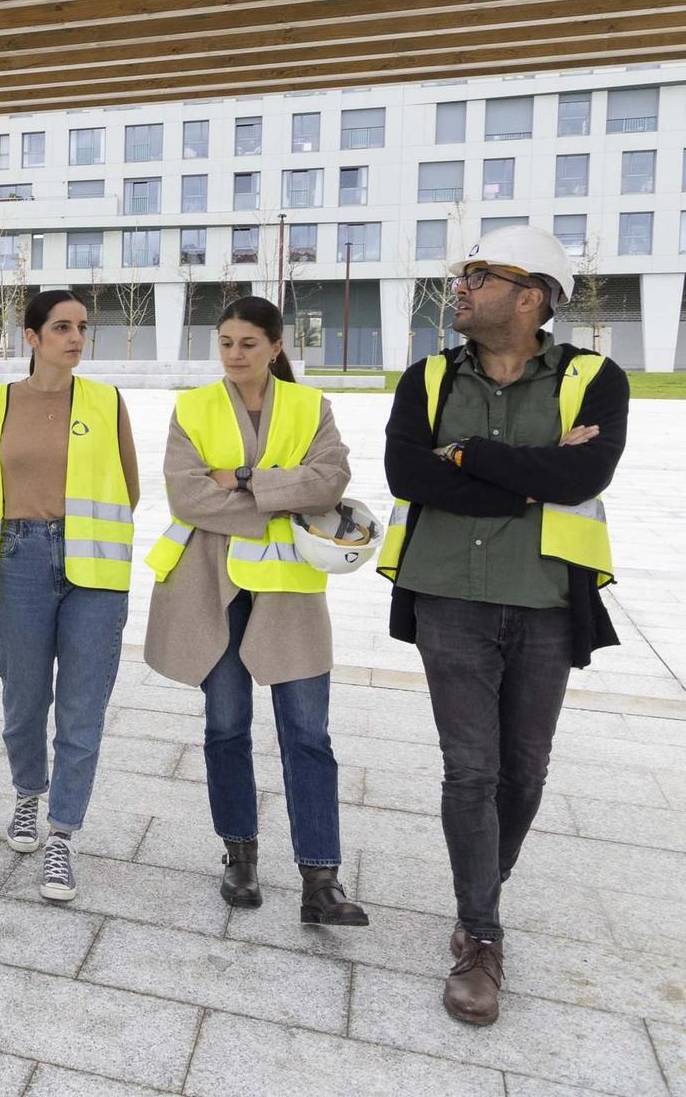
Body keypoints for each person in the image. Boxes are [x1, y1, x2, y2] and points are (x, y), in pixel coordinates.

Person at [377, 225, 627, 1027]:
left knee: (526, 769)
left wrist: (469, 455)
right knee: (471, 771)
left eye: (481, 275)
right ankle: (479, 934)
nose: (463, 286)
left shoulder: (596, 377)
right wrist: (526, 470)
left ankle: (479, 883)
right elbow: (406, 473)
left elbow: (583, 471)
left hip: (547, 598)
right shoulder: (425, 378)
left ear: (532, 296)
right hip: (448, 592)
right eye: (463, 274)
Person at [143, 297, 368, 930]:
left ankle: (320, 879)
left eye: (248, 343)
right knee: (226, 726)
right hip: (209, 588)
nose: (235, 354)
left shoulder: (309, 407)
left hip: (289, 594)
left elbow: (330, 482)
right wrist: (278, 491)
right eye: (226, 343)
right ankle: (239, 856)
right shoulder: (194, 407)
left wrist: (240, 479)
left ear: (275, 346)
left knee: (308, 735)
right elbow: (187, 498)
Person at [0, 291, 137, 902]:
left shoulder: (106, 401)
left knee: (82, 710)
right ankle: (26, 794)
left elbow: (128, 489)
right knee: (23, 700)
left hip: (93, 568)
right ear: (32, 337)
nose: (75, 338)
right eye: (61, 328)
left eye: (82, 328)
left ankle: (62, 834)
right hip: (18, 563)